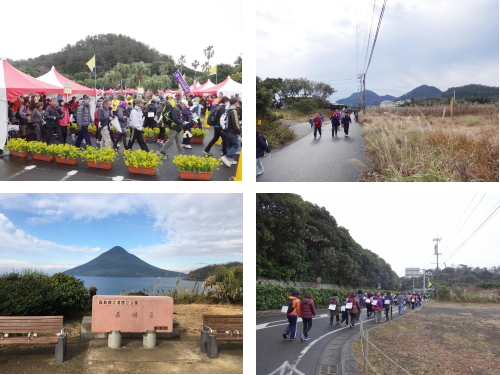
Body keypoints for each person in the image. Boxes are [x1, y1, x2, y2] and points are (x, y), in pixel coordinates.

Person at [220, 98, 242, 168]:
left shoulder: (228, 110)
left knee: (230, 145)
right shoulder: (234, 111)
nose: (238, 103)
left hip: (227, 131)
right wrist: (239, 130)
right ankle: (226, 157)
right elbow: (235, 123)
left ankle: (230, 159)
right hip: (233, 131)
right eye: (238, 102)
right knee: (236, 145)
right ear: (235, 103)